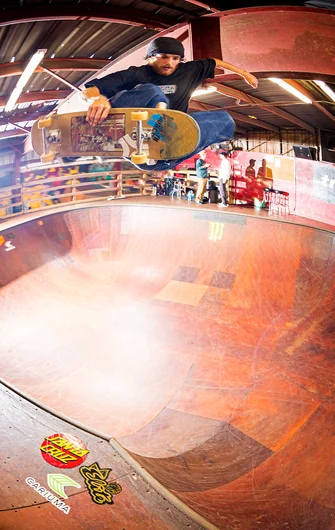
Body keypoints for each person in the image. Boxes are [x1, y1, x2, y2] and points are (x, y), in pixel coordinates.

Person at [81, 37, 258, 172]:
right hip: (131, 130)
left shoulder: (189, 70)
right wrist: (97, 99)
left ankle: (164, 153)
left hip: (161, 144)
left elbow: (214, 62)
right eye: (164, 57)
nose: (170, 63)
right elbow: (90, 89)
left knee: (224, 120)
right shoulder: (135, 73)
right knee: (153, 92)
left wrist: (244, 74)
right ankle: (116, 132)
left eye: (175, 59)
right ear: (150, 58)